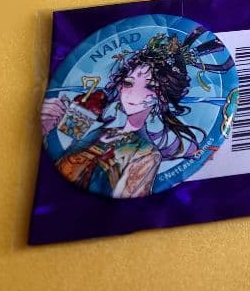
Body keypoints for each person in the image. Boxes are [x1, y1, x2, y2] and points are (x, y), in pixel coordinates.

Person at [40, 27, 234, 198]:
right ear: (119, 86)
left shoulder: (147, 153)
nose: (133, 94)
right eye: (128, 83)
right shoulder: (99, 132)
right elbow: (59, 163)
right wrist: (47, 128)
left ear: (162, 97)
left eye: (150, 86)